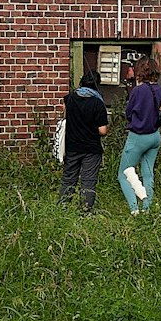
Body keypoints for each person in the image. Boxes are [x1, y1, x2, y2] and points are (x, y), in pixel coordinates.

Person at [118, 58, 161, 214]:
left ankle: (134, 209)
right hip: (154, 136)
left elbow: (129, 112)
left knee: (124, 174)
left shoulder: (138, 91)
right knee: (148, 173)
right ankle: (147, 207)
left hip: (138, 137)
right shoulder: (159, 89)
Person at [60, 67, 109, 212]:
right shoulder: (98, 103)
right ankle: (85, 210)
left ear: (81, 83)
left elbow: (64, 114)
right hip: (91, 149)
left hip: (72, 146)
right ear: (96, 85)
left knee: (68, 179)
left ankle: (63, 207)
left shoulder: (70, 98)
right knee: (88, 182)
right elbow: (103, 130)